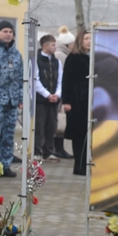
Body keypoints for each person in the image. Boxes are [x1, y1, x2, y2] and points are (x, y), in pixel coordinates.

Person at [0, 20, 23, 178]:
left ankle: (5, 164)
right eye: (5, 31)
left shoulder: (16, 54)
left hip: (12, 100)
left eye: (10, 31)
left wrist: (20, 97)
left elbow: (20, 78)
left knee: (8, 134)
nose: (8, 34)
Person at [61, 28, 89, 175]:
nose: (89, 42)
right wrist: (66, 101)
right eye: (86, 39)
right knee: (78, 135)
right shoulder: (73, 58)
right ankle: (79, 165)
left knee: (86, 134)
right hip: (76, 102)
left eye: (91, 39)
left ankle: (85, 164)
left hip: (88, 102)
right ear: (80, 40)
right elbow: (66, 80)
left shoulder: (91, 57)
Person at [33, 33, 62, 161]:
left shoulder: (57, 61)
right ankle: (37, 150)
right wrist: (47, 95)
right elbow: (35, 80)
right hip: (41, 100)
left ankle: (49, 150)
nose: (56, 47)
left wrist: (57, 94)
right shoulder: (36, 60)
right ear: (45, 46)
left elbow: (61, 79)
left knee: (52, 126)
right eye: (53, 45)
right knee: (39, 126)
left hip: (54, 100)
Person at [53, 26, 75, 159]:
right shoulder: (61, 56)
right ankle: (58, 148)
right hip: (60, 94)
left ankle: (59, 148)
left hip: (59, 93)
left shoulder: (62, 55)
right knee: (59, 123)